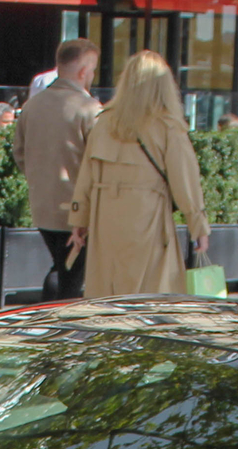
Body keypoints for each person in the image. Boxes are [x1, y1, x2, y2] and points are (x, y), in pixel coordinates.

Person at [67, 50, 211, 299]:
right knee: (150, 297)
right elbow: (185, 181)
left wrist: (79, 220)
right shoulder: (168, 127)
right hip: (148, 219)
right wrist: (198, 225)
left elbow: (86, 177)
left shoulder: (104, 123)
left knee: (108, 295)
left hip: (106, 221)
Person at [15, 39, 99, 301]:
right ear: (83, 71)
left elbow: (19, 154)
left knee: (62, 268)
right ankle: (59, 331)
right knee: (70, 275)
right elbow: (100, 162)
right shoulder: (90, 110)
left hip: (42, 205)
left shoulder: (31, 106)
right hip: (77, 208)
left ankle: (52, 326)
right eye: (93, 69)